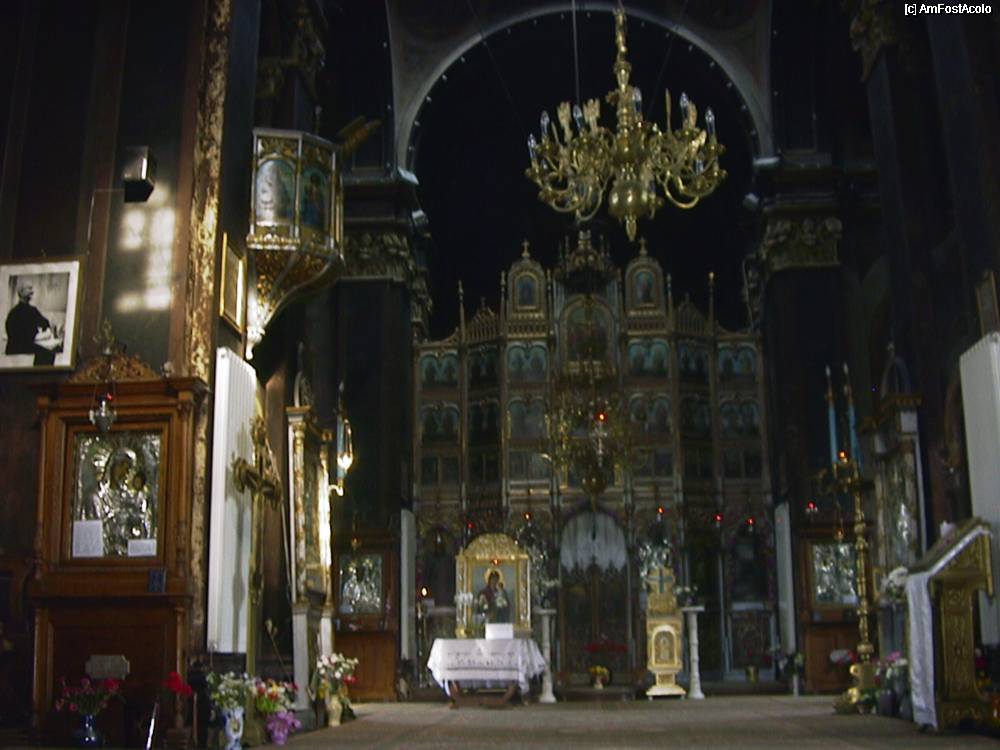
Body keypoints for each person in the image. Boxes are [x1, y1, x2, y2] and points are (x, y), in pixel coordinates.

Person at [5, 283, 59, 365]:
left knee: (53, 350)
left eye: (31, 289)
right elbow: (13, 334)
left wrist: (47, 329)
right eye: (29, 289)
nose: (32, 292)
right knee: (49, 354)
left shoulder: (31, 310)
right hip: (17, 347)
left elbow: (44, 322)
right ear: (21, 292)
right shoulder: (15, 313)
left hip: (21, 346)